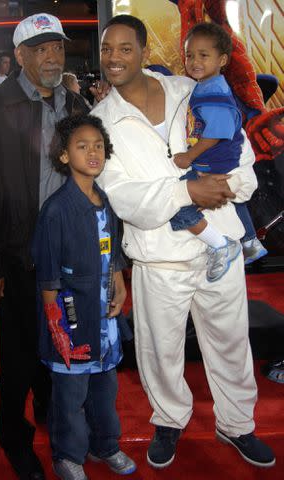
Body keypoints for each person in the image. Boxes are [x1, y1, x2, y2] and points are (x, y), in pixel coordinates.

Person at [92, 14, 275, 469]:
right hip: (159, 258)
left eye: (125, 48)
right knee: (159, 351)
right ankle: (169, 421)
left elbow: (240, 149)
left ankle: (238, 425)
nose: (114, 58)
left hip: (222, 244)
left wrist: (232, 186)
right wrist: (187, 191)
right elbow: (123, 196)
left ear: (144, 52)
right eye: (106, 49)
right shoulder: (101, 121)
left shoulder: (189, 90)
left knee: (232, 343)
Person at [0, 13, 90, 480]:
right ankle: (15, 441)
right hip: (16, 259)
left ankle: (57, 424)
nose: (53, 56)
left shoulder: (75, 103)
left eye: (58, 47)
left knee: (62, 348)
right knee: (18, 357)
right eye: (41, 48)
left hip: (69, 258)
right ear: (21, 56)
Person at [32, 114, 136, 480]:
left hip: (105, 316)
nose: (93, 152)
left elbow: (112, 250)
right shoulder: (56, 210)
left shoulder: (103, 199)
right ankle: (68, 455)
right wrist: (56, 324)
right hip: (71, 319)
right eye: (82, 146)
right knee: (70, 397)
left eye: (98, 145)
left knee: (105, 389)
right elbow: (47, 276)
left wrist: (121, 283)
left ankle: (105, 444)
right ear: (63, 155)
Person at [170, 22, 267, 272]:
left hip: (215, 161)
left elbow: (216, 133)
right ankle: (249, 241)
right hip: (221, 159)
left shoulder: (214, 92)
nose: (194, 62)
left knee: (177, 206)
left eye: (204, 55)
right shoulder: (207, 86)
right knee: (235, 202)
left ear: (222, 59)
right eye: (190, 55)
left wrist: (189, 156)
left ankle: (221, 245)